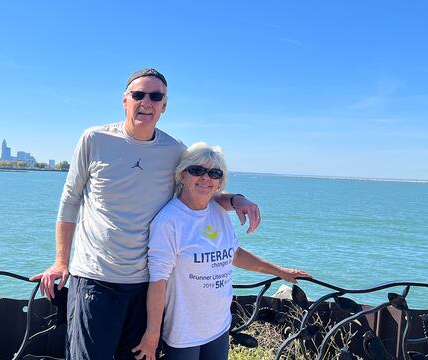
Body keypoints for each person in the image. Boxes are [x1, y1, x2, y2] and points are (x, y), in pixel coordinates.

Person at [31, 68, 262, 360]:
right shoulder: (94, 139)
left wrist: (237, 199)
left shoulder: (175, 150)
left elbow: (198, 188)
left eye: (156, 96)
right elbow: (70, 200)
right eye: (138, 94)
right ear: (125, 100)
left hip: (145, 286)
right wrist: (60, 261)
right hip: (95, 279)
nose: (146, 102)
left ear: (164, 106)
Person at [132, 143, 310, 360]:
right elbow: (158, 281)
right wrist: (152, 333)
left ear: (219, 182)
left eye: (214, 173)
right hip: (184, 332)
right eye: (197, 170)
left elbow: (234, 254)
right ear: (182, 175)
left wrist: (279, 271)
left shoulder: (218, 212)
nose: (206, 178)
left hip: (219, 326)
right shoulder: (169, 221)